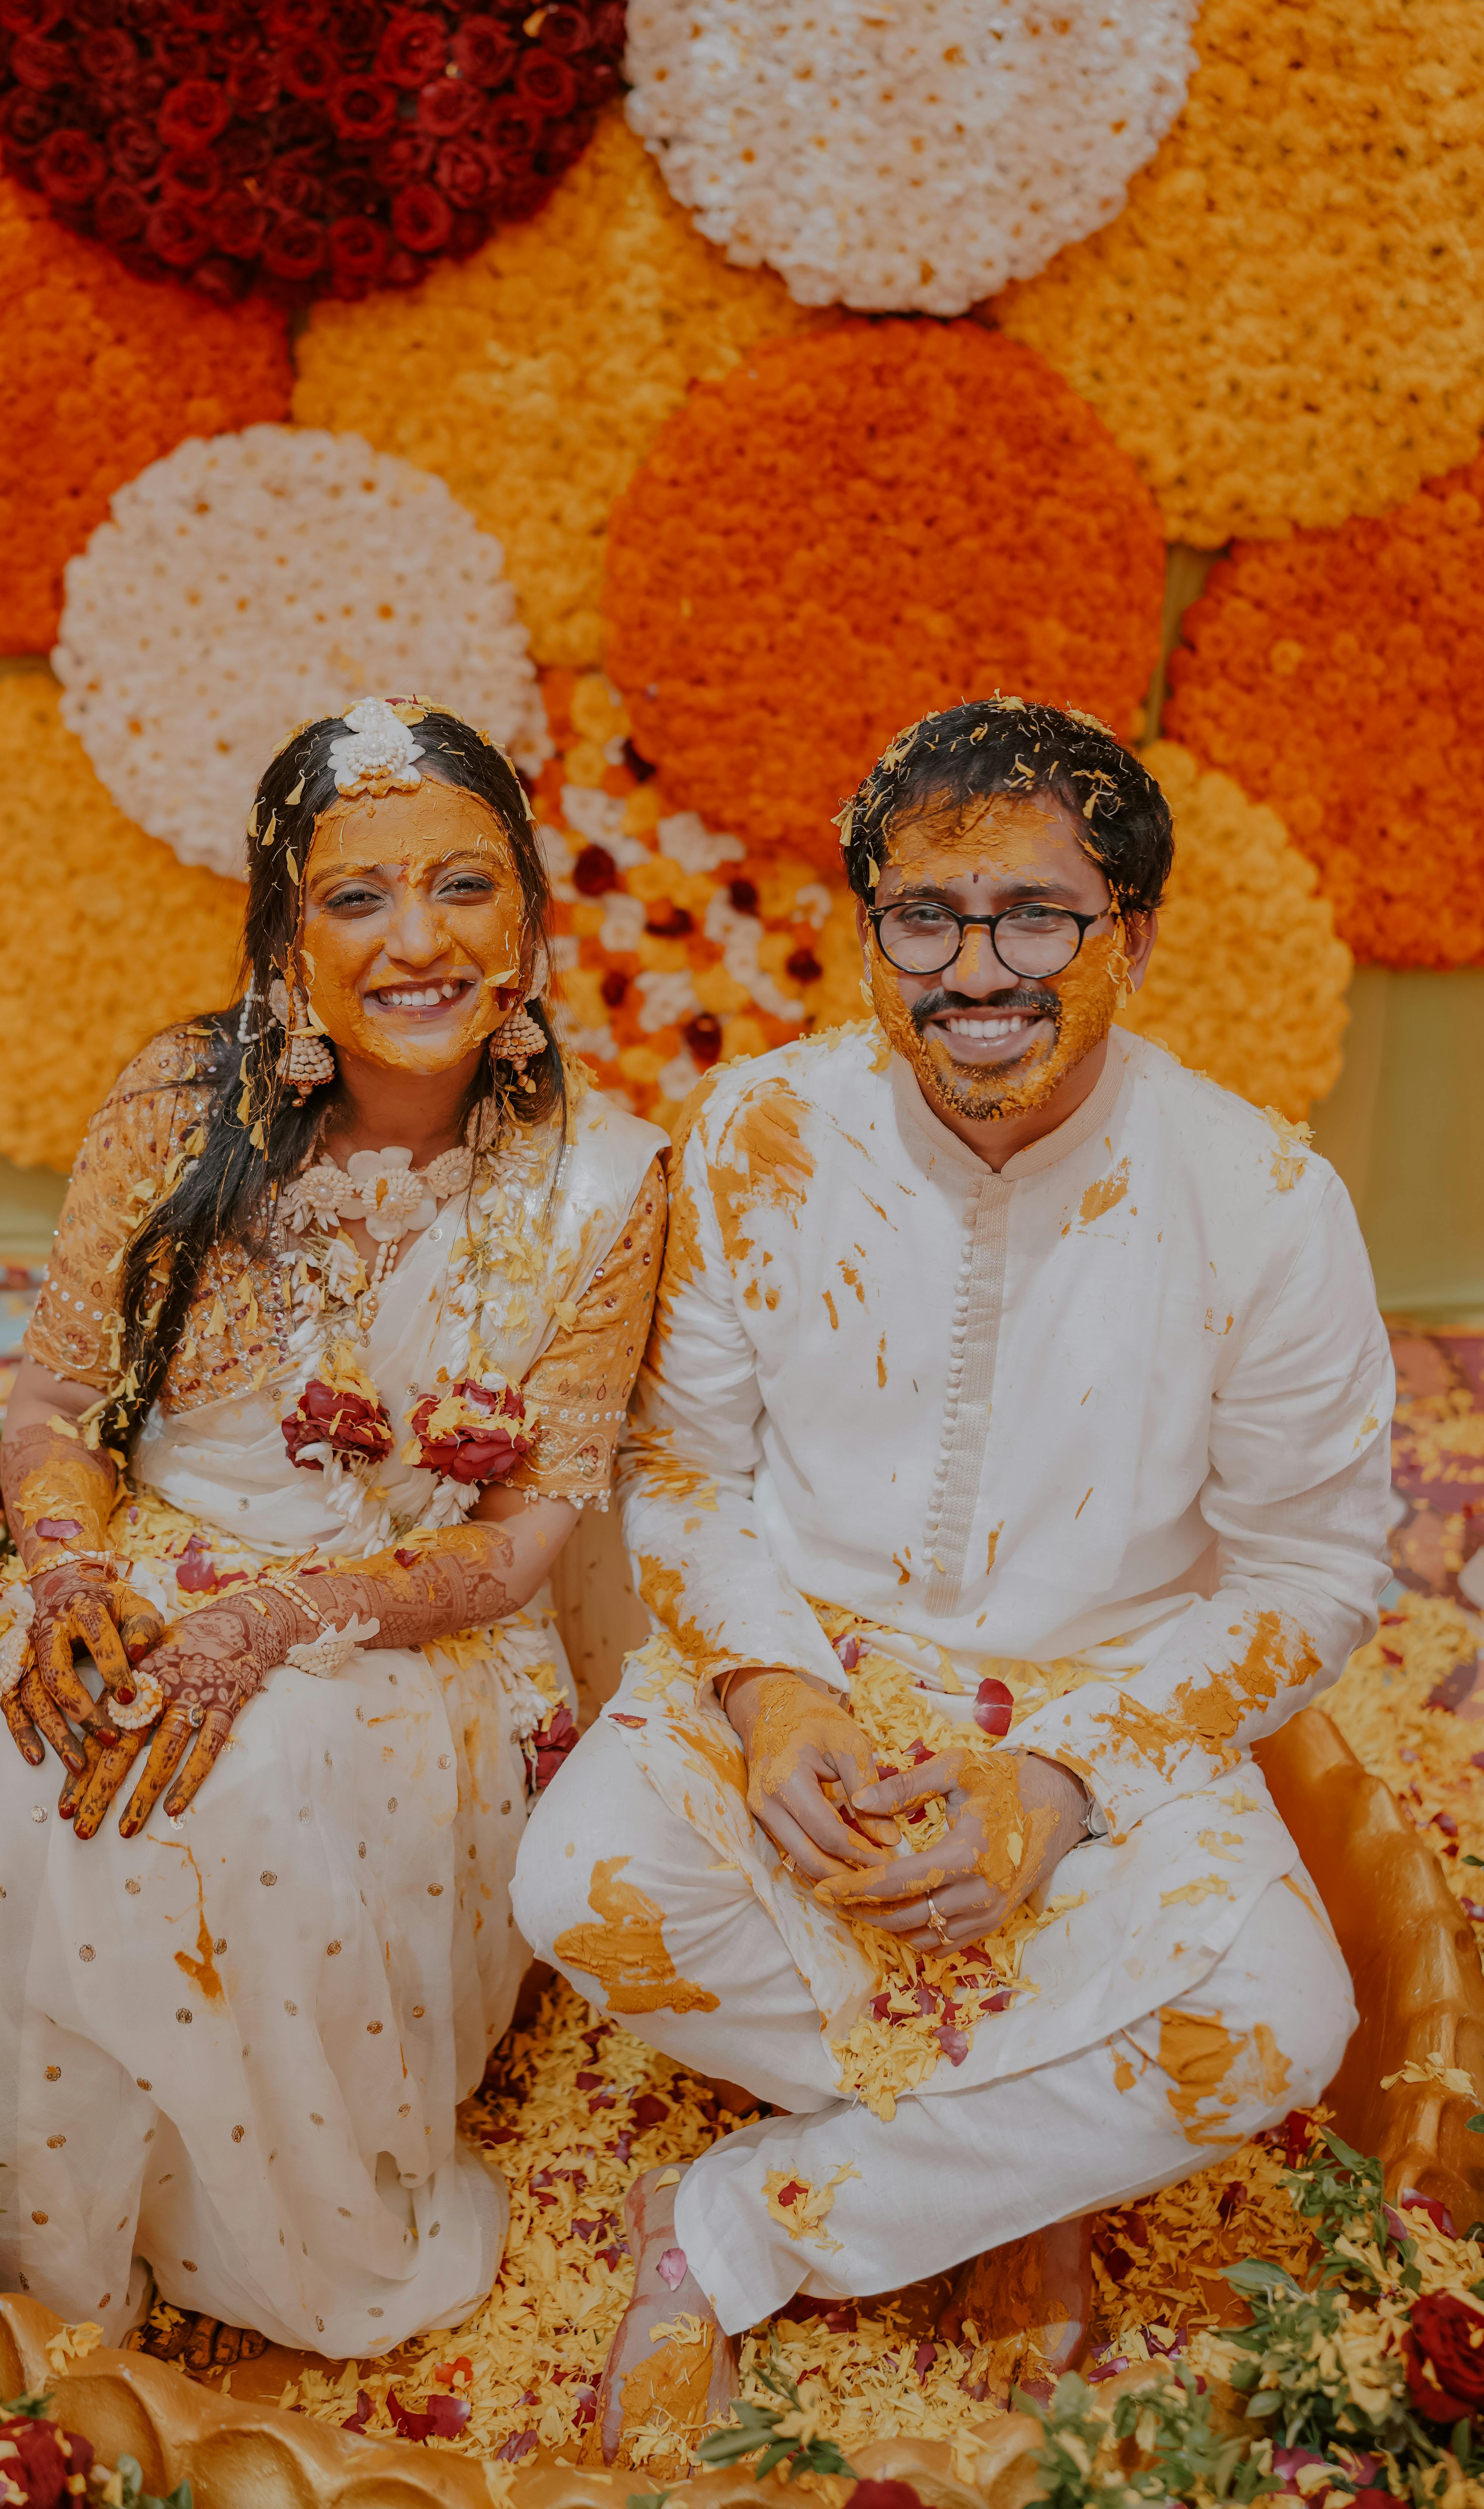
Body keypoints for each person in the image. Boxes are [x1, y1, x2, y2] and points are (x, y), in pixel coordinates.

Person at [0, 697, 666, 2361]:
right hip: (146, 1553)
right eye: (356, 895)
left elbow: (523, 1543)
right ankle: (47, 2242)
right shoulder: (172, 1102)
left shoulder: (601, 1181)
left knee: (261, 1795)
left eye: (463, 883)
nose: (418, 940)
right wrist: (76, 1577)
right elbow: (58, 1403)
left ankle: (255, 2244)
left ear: (527, 908)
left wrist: (269, 1629)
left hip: (413, 1624)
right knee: (25, 1767)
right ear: (285, 927)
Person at [512, 696, 1396, 2458]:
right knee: (582, 1887)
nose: (974, 968)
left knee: (1279, 2027)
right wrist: (773, 1700)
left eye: (1037, 916)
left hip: (1105, 1699)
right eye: (926, 916)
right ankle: (1026, 2165)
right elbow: (684, 1470)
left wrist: (1063, 1780)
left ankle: (733, 2227)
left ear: (1130, 936)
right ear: (872, 932)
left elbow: (1315, 1565)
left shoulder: (1263, 1198)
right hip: (817, 1669)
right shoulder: (758, 1132)